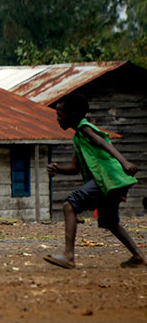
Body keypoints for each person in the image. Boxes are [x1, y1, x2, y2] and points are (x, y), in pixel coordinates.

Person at [44, 92, 145, 269]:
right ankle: (139, 257)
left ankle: (69, 256)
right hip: (113, 181)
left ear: (73, 114)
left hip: (108, 179)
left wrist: (124, 162)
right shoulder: (79, 137)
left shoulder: (84, 127)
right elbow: (75, 168)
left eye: (60, 115)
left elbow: (103, 143)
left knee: (69, 205)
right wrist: (58, 169)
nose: (58, 119)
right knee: (109, 221)